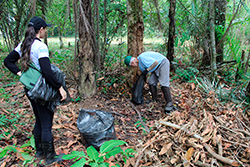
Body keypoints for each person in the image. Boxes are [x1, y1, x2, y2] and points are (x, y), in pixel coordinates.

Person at [4, 16, 66, 165]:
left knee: (39, 119)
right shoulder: (41, 46)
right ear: (40, 30)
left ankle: (39, 152)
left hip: (30, 88)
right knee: (46, 124)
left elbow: (8, 61)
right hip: (41, 90)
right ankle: (50, 157)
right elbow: (47, 71)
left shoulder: (24, 44)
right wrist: (60, 87)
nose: (45, 31)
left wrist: (22, 75)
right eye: (45, 29)